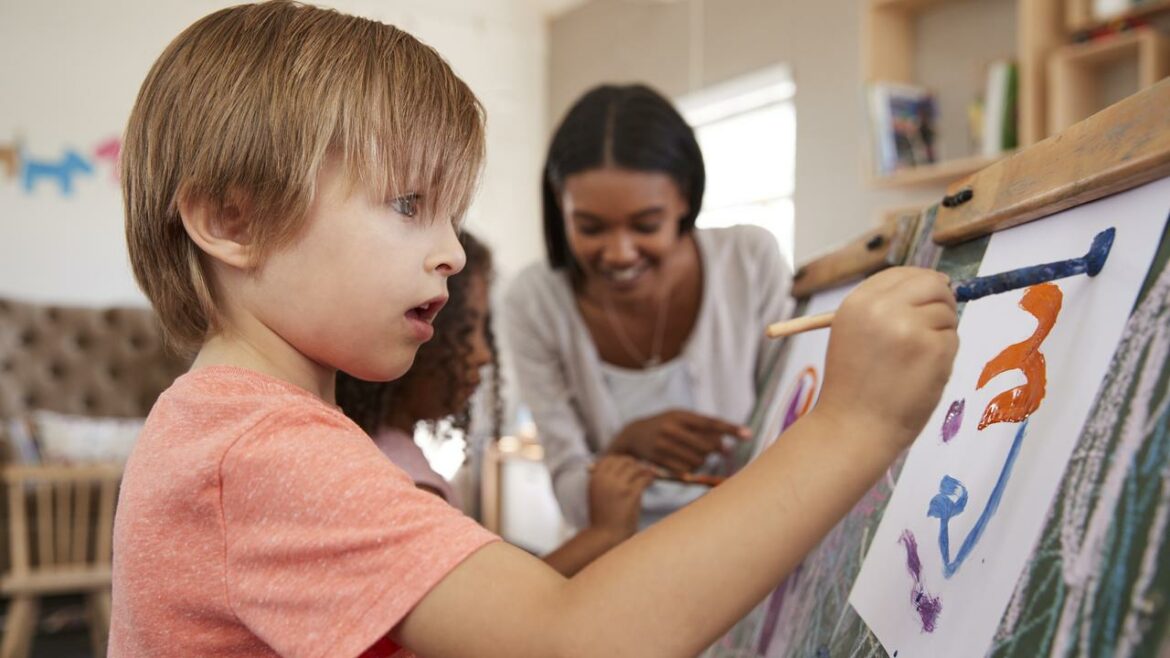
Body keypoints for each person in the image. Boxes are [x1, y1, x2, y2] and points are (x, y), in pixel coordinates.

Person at [110, 2, 959, 656]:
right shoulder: (256, 453)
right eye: (408, 205)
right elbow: (573, 639)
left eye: (451, 216)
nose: (448, 251)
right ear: (233, 220)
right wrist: (857, 422)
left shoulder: (241, 430)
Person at [504, 84, 795, 528]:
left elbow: (792, 429)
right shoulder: (534, 302)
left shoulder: (749, 260)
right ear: (559, 209)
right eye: (590, 227)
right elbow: (572, 499)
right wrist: (625, 444)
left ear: (684, 197)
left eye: (646, 224)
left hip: (752, 538)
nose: (619, 252)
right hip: (620, 564)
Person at [335, 231, 654, 576]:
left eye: (485, 331)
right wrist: (604, 533)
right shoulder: (410, 488)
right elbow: (492, 617)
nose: (484, 355)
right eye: (467, 329)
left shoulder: (368, 448)